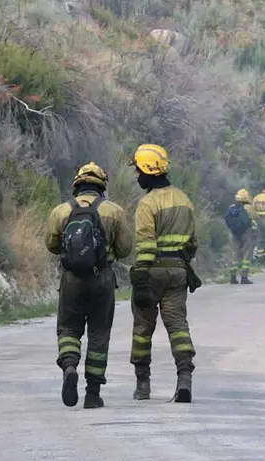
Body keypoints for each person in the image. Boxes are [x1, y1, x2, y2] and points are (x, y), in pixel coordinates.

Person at [45, 162, 133, 409]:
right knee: (98, 333)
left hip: (72, 280)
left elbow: (51, 245)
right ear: (101, 186)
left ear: (77, 185)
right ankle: (93, 394)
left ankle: (70, 365)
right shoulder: (114, 211)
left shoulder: (60, 211)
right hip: (102, 279)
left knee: (68, 330)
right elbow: (125, 249)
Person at [128, 144, 200, 403]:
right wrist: (182, 263)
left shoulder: (147, 203)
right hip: (179, 272)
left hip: (152, 273)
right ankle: (184, 379)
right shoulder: (184, 200)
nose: (137, 176)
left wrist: (140, 277)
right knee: (178, 326)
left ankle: (143, 385)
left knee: (142, 329)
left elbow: (146, 244)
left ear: (148, 171)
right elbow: (192, 242)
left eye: (138, 170)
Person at [226, 188, 257, 284]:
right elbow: (256, 217)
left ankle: (232, 276)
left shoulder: (232, 207)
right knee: (246, 254)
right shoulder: (249, 207)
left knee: (234, 254)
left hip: (233, 232)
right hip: (246, 232)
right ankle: (244, 277)